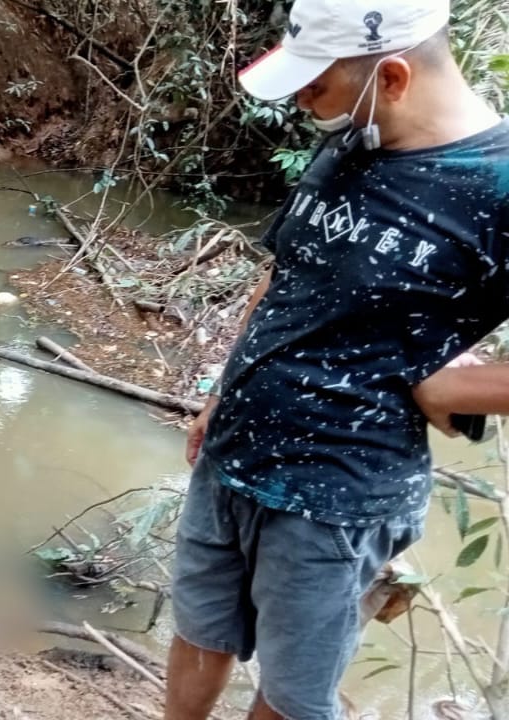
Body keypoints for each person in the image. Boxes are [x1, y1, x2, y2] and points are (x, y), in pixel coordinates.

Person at [166, 0, 509, 718]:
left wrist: (457, 386)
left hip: (338, 495)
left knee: (292, 693)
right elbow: (286, 272)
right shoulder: (355, 138)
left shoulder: (496, 185)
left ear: (390, 75)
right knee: (201, 630)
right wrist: (222, 393)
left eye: (315, 85)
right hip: (235, 455)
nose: (301, 102)